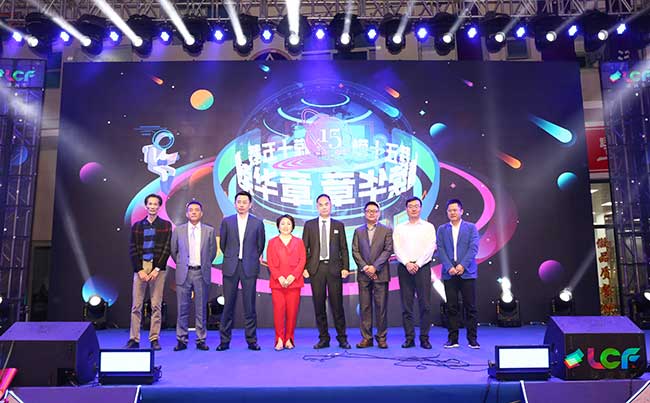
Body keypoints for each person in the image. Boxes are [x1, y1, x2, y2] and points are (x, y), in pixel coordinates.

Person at [217, 191, 265, 351]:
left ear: (250, 205)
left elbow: (260, 246)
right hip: (231, 267)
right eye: (239, 202)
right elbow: (223, 245)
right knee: (228, 306)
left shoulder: (257, 223)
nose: (242, 205)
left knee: (249, 306)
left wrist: (249, 257)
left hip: (249, 268)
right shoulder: (227, 221)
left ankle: (252, 341)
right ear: (235, 203)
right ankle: (224, 341)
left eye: (245, 202)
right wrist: (232, 257)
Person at [302, 194, 351, 349]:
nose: (324, 207)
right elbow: (304, 248)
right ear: (317, 207)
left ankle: (342, 338)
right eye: (321, 204)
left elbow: (344, 248)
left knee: (337, 305)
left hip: (334, 269)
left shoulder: (338, 225)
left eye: (326, 204)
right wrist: (304, 268)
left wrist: (345, 267)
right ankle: (324, 338)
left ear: (331, 205)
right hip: (316, 270)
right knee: (319, 305)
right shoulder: (309, 225)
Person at [125, 193, 172, 351]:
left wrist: (157, 268)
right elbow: (132, 249)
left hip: (157, 269)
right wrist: (139, 270)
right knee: (136, 306)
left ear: (159, 206)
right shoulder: (137, 226)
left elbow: (167, 248)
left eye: (155, 204)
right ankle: (134, 338)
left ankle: (154, 338)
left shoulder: (165, 225)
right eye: (150, 204)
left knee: (156, 305)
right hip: (141, 269)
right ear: (146, 206)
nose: (152, 206)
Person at [170, 201, 217, 351]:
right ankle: (181, 339)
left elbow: (212, 253)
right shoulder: (178, 230)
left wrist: (203, 265)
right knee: (182, 308)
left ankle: (201, 339)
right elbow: (174, 251)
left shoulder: (209, 231)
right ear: (187, 214)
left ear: (201, 213)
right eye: (191, 210)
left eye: (197, 210)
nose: (194, 212)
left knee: (201, 309)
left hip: (201, 273)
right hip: (184, 272)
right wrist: (182, 264)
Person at [392, 196, 437, 349]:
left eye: (416, 206)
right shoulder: (399, 228)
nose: (413, 209)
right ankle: (409, 338)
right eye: (410, 206)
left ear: (420, 208)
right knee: (407, 305)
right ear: (406, 209)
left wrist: (417, 264)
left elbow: (431, 247)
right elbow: (397, 248)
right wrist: (407, 263)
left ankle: (424, 338)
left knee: (425, 305)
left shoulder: (428, 227)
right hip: (404, 268)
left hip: (422, 267)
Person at [437, 198, 481, 349]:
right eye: (450, 210)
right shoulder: (442, 229)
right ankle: (453, 339)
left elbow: (473, 248)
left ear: (461, 211)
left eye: (455, 210)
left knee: (470, 307)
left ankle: (472, 340)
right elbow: (440, 249)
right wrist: (449, 266)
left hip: (467, 272)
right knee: (452, 307)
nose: (452, 213)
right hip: (449, 273)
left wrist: (462, 265)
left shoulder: (471, 228)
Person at [351, 201, 393, 349]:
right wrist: (365, 268)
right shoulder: (358, 231)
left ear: (379, 213)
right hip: (364, 275)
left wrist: (375, 267)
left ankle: (381, 338)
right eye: (369, 211)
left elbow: (388, 250)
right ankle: (366, 338)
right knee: (365, 307)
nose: (371, 213)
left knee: (381, 308)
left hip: (381, 274)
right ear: (364, 213)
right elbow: (355, 251)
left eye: (374, 211)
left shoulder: (386, 230)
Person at [266, 214, 306, 351]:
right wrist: (280, 277)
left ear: (293, 226)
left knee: (292, 312)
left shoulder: (299, 242)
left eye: (288, 224)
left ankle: (289, 339)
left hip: (294, 283)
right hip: (277, 283)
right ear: (278, 226)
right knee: (278, 312)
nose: (285, 226)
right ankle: (279, 339)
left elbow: (302, 261)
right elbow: (270, 262)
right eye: (282, 223)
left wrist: (292, 276)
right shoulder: (272, 242)